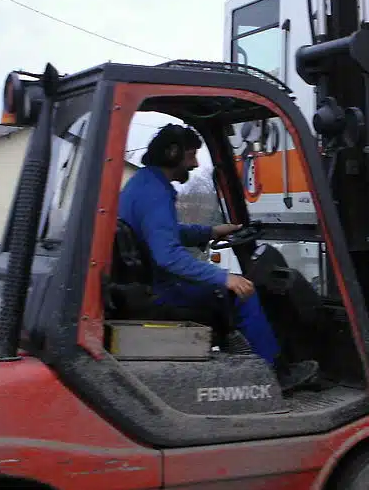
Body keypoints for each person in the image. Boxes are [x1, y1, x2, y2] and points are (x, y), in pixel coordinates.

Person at [118, 124, 319, 391]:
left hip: (146, 285)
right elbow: (168, 255)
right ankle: (276, 375)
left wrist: (210, 231)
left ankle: (242, 362)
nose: (194, 163)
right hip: (159, 291)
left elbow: (166, 232)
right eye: (191, 155)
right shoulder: (155, 192)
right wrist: (225, 277)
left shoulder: (143, 184)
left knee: (229, 290)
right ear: (172, 153)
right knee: (241, 294)